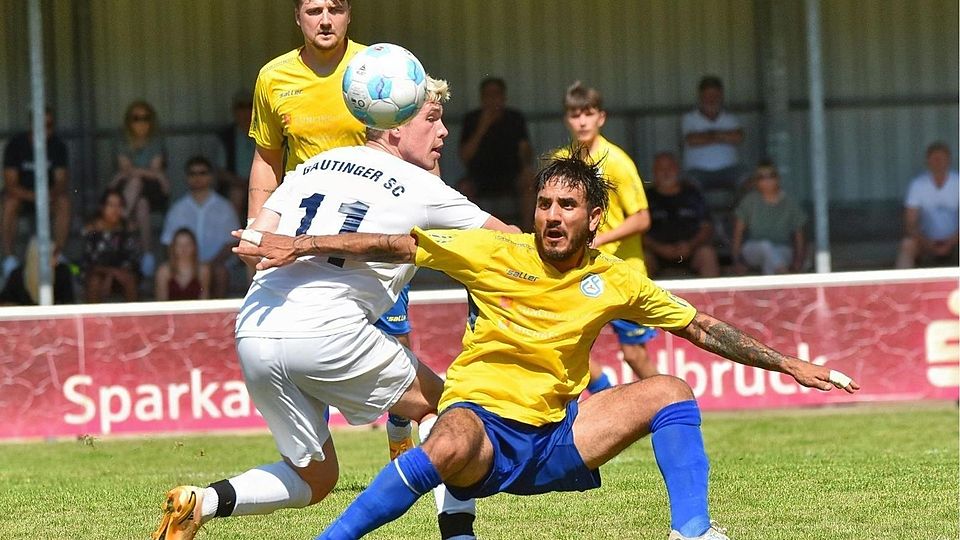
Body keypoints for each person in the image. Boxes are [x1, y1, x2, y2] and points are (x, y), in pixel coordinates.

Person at [233, 150, 860, 540]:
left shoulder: (616, 278)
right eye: (543, 204)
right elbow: (397, 244)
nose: (552, 215)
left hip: (557, 436)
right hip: (482, 432)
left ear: (594, 218)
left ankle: (691, 532)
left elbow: (698, 326)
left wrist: (787, 363)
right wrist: (302, 243)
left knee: (670, 391)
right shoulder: (493, 250)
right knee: (449, 437)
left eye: (567, 205)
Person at [151, 77, 514, 540]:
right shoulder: (422, 187)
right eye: (432, 119)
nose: (443, 132)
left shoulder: (315, 165)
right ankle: (458, 534)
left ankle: (199, 502)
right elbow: (511, 243)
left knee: (315, 479)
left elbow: (252, 246)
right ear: (395, 125)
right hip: (326, 330)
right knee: (448, 414)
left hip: (256, 328)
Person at [245, 0, 419, 463]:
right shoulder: (273, 77)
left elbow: (411, 145)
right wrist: (258, 231)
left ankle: (401, 430)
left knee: (395, 339)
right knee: (306, 336)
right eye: (314, 9)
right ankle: (313, 464)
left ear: (349, 14)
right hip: (304, 234)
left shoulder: (377, 68)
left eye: (335, 8)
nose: (325, 20)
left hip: (373, 231)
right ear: (297, 16)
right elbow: (267, 159)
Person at [555, 81, 658, 388]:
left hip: (621, 272)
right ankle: (604, 390)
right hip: (579, 272)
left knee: (634, 354)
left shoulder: (617, 162)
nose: (582, 121)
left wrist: (599, 239)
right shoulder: (563, 162)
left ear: (601, 117)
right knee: (561, 341)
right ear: (567, 119)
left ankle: (671, 404)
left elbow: (642, 218)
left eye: (588, 114)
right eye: (575, 115)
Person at [2, 107, 72, 278]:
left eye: (50, 124)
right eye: (41, 124)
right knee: (9, 202)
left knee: (64, 202)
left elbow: (61, 181)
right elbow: (10, 184)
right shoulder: (16, 144)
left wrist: (48, 195)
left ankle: (57, 255)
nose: (46, 129)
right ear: (31, 125)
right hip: (22, 197)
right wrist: (35, 196)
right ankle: (9, 258)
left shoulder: (57, 146)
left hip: (49, 197)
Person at [457, 77, 535, 228]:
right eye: (488, 95)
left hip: (511, 174)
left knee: (529, 181)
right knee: (464, 188)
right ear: (481, 98)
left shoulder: (514, 118)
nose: (492, 99)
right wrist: (482, 127)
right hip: (480, 176)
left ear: (504, 97)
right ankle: (475, 233)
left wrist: (525, 163)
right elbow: (465, 156)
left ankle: (527, 230)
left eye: (496, 94)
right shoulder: (472, 119)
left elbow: (526, 153)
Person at [681, 76, 745, 254]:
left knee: (750, 181)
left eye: (715, 95)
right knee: (689, 186)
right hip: (697, 172)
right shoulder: (690, 118)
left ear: (721, 96)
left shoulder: (730, 117)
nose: (711, 99)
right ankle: (707, 227)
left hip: (729, 170)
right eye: (708, 95)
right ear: (700, 96)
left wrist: (708, 136)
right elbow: (692, 140)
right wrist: (723, 135)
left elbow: (738, 137)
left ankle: (730, 221)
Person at [160, 156, 239, 299]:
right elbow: (168, 242)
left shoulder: (225, 207)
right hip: (185, 265)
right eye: (193, 173)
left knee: (221, 272)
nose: (197, 177)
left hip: (216, 265)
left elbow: (232, 242)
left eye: (202, 173)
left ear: (211, 176)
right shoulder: (177, 209)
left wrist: (211, 264)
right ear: (187, 177)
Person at [109, 100, 170, 278]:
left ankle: (119, 226)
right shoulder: (122, 139)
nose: (141, 122)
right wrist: (148, 172)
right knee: (141, 203)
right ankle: (148, 255)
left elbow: (153, 171)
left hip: (152, 188)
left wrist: (144, 173)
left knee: (136, 182)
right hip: (129, 187)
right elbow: (127, 169)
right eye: (136, 118)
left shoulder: (156, 139)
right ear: (129, 121)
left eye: (145, 118)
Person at [644, 152, 720, 278]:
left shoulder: (693, 194)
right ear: (654, 172)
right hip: (656, 253)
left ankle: (714, 292)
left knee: (707, 254)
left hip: (691, 251)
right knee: (641, 260)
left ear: (677, 169)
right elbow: (639, 232)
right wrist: (660, 248)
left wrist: (691, 245)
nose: (666, 172)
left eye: (670, 167)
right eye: (661, 169)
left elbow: (706, 227)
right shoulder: (646, 196)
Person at [731, 160, 807, 275]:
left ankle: (774, 282)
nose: (767, 180)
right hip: (754, 249)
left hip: (783, 249)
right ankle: (784, 274)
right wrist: (736, 261)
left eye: (771, 175)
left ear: (778, 178)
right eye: (761, 177)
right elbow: (738, 233)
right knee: (765, 246)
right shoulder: (749, 201)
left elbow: (799, 235)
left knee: (770, 260)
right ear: (756, 181)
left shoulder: (790, 202)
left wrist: (799, 260)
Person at [894, 142, 959, 269]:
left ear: (948, 160)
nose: (938, 162)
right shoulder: (917, 185)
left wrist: (952, 241)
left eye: (941, 158)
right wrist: (926, 242)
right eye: (934, 159)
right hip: (925, 241)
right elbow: (910, 223)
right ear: (927, 161)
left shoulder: (958, 182)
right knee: (907, 244)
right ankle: (902, 281)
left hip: (955, 241)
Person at [82, 188, 140, 303]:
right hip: (97, 273)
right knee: (94, 281)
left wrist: (113, 275)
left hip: (121, 273)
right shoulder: (91, 229)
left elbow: (132, 259)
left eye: (119, 205)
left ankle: (133, 313)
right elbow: (90, 262)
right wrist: (110, 273)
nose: (115, 209)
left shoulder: (127, 229)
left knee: (129, 279)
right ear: (102, 207)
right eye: (111, 205)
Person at [0, 236, 75, 306]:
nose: (57, 260)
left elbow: (68, 304)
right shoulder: (17, 276)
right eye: (53, 254)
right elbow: (4, 303)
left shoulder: (62, 272)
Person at [216, 91, 255, 220]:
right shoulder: (226, 136)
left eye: (249, 106)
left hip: (263, 183)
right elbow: (220, 171)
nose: (245, 111)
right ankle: (236, 230)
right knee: (236, 193)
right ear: (234, 111)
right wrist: (241, 183)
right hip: (237, 184)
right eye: (241, 107)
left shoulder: (266, 132)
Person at [155, 227, 211, 301]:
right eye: (179, 245)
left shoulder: (203, 270)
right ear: (173, 247)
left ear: (194, 247)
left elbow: (204, 299)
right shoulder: (163, 271)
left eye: (188, 244)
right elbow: (161, 301)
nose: (183, 249)